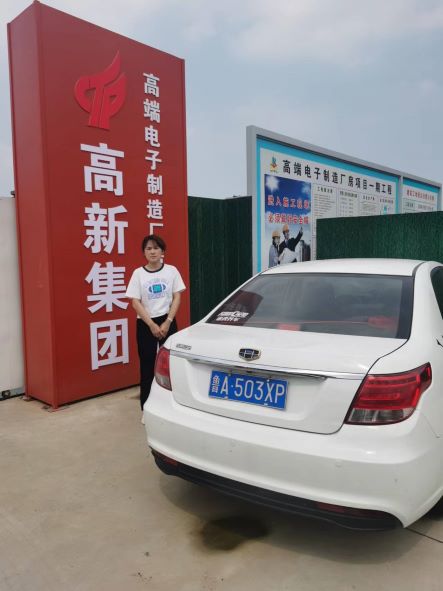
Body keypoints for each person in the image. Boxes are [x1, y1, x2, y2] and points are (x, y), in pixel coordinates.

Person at [126, 235, 185, 420]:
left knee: (170, 366)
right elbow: (135, 302)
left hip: (167, 320)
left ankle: (171, 407)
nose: (152, 252)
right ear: (144, 252)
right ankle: (146, 409)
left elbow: (177, 296)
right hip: (145, 323)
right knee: (147, 367)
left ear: (162, 251)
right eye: (148, 248)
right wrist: (151, 325)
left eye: (156, 248)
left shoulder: (171, 271)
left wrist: (168, 322)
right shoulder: (138, 274)